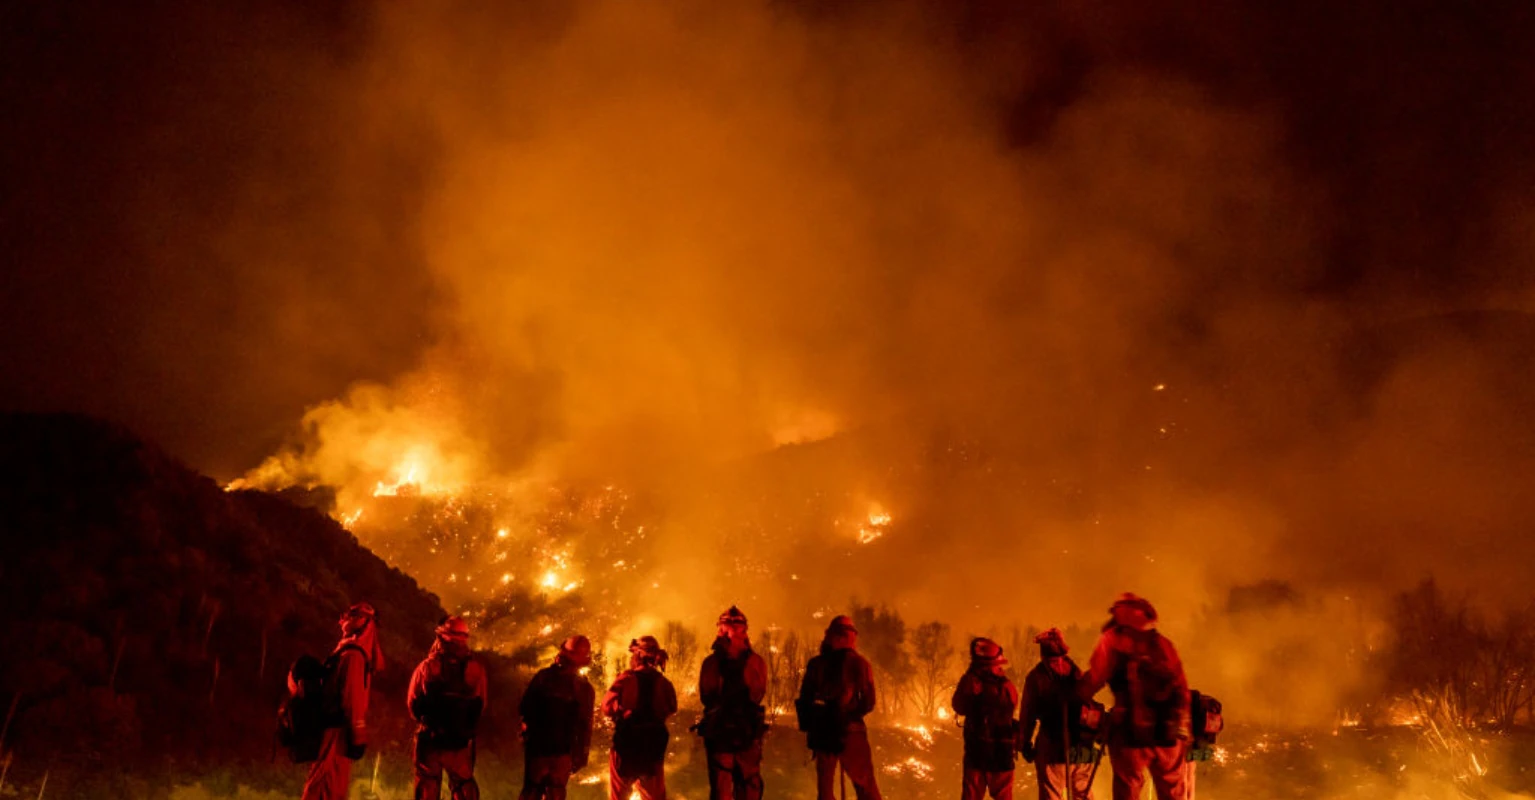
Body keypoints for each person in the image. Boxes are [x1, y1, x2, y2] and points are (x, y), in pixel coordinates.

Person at [1078, 594, 1190, 800]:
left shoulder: (1113, 640)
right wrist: (1183, 727)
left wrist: (1074, 693)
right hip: (1169, 733)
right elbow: (1182, 688)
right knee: (1173, 790)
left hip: (1130, 733)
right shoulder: (1163, 644)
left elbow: (1094, 679)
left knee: (1128, 787)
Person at [302, 602, 384, 800]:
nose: (343, 619)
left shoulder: (344, 653)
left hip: (332, 731)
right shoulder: (354, 656)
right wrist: (358, 736)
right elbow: (352, 700)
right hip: (337, 735)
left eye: (350, 615)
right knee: (326, 787)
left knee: (325, 786)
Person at [797, 615, 883, 800]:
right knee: (866, 788)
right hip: (851, 732)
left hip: (824, 733)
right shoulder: (859, 664)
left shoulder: (816, 664)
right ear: (848, 636)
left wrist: (820, 718)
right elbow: (868, 702)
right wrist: (847, 714)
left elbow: (805, 700)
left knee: (825, 791)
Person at [408, 615, 488, 800]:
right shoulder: (476, 670)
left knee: (427, 786)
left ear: (441, 637)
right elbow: (480, 705)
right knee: (463, 787)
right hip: (459, 744)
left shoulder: (427, 667)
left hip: (430, 741)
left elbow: (412, 704)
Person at [697, 606, 769, 800]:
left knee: (723, 787)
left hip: (722, 733)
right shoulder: (756, 662)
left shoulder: (711, 663)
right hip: (746, 732)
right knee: (748, 785)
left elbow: (706, 695)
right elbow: (758, 693)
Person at [519, 635, 597, 800]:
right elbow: (585, 726)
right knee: (557, 792)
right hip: (564, 753)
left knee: (531, 791)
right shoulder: (584, 688)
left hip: (538, 749)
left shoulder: (543, 677)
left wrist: (526, 736)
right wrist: (581, 756)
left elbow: (525, 708)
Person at [1018, 629, 1093, 800]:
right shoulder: (1076, 673)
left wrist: (1025, 744)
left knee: (1052, 795)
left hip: (1053, 748)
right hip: (1079, 748)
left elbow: (1028, 714)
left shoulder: (1036, 678)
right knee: (1082, 794)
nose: (1057, 664)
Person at [603, 635, 679, 800]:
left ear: (638, 655)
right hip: (652, 749)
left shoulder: (625, 680)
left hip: (626, 747)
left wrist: (622, 710)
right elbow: (671, 708)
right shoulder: (664, 683)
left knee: (619, 795)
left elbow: (607, 707)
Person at [951, 637, 1018, 800]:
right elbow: (1013, 706)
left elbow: (958, 706)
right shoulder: (1008, 687)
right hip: (1002, 756)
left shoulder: (971, 682)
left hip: (977, 756)